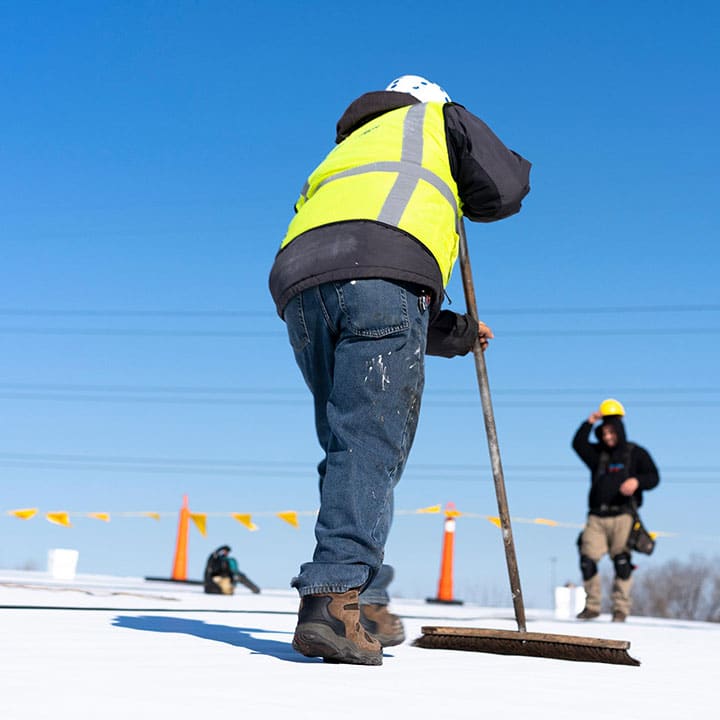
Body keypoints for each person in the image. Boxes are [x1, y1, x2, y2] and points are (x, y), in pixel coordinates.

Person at [269, 74, 531, 665]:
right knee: (368, 444)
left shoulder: (352, 145)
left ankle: (367, 597)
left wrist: (455, 332)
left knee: (349, 443)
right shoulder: (437, 119)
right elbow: (506, 188)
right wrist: (463, 181)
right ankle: (335, 600)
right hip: (383, 274)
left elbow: (359, 277)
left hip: (301, 282)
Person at [572, 398, 660, 622]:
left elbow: (654, 477)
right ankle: (592, 606)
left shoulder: (636, 453)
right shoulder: (598, 455)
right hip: (597, 515)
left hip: (623, 515)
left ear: (620, 431)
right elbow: (578, 444)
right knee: (587, 558)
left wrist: (637, 482)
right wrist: (589, 422)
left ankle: (620, 609)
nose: (608, 437)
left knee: (622, 560)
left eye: (612, 433)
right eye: (604, 433)